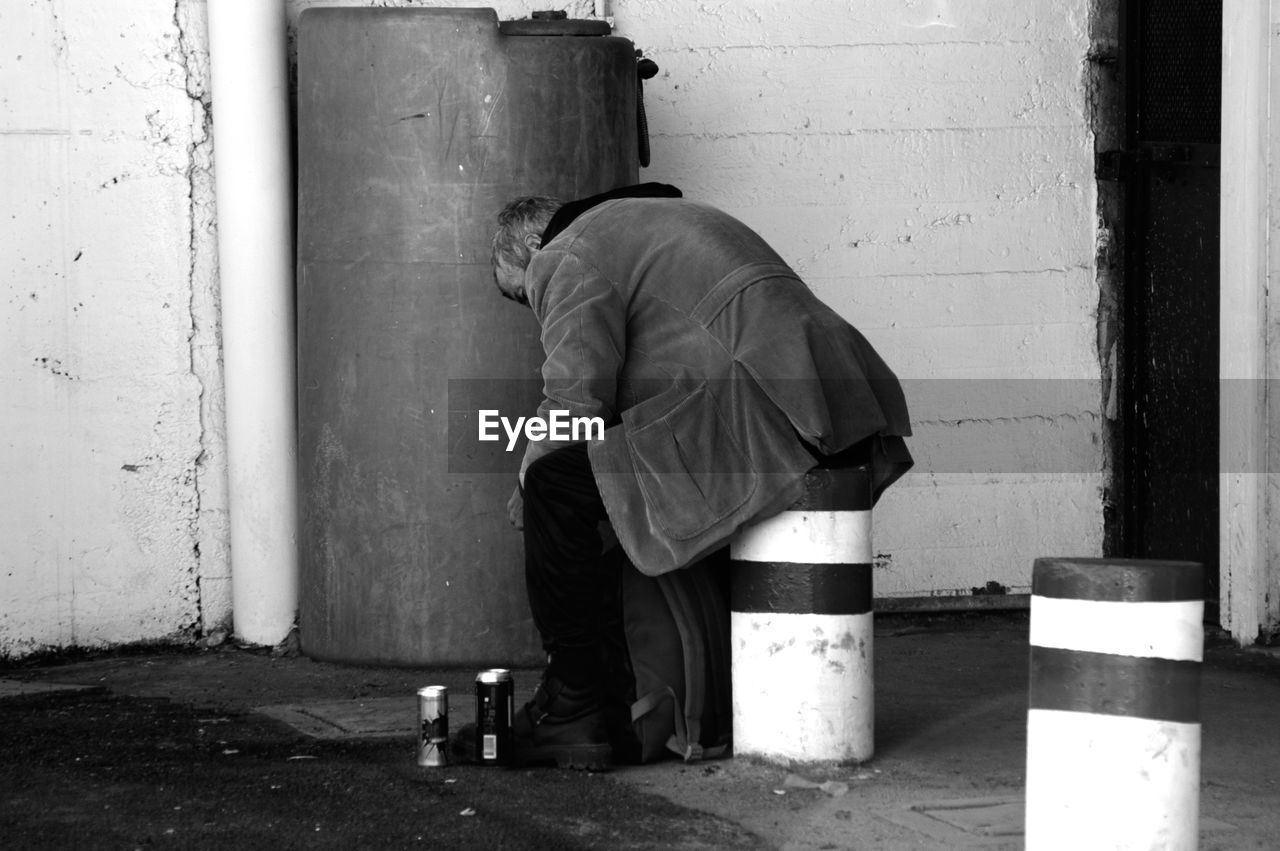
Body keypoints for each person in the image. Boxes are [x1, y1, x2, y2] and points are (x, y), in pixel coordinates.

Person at [490, 183, 912, 769]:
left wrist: (524, 499)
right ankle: (701, 702)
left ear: (532, 245)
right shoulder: (657, 218)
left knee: (554, 488)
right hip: (843, 399)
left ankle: (573, 706)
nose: (533, 304)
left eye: (523, 292)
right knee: (614, 484)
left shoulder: (566, 253)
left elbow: (573, 404)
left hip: (769, 409)